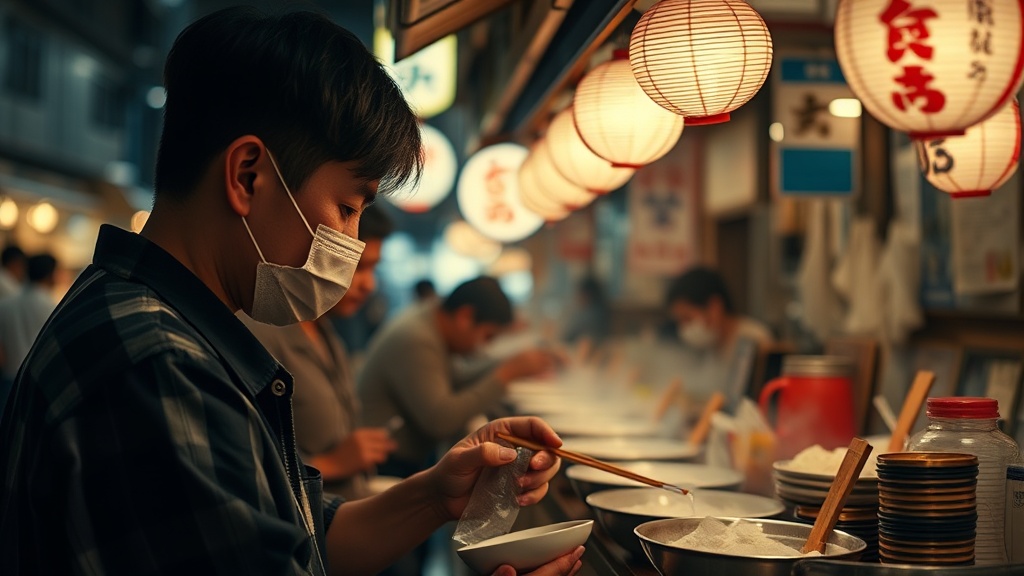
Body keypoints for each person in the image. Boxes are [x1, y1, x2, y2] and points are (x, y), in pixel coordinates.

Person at [0, 8, 582, 576]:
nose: (351, 246)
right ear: (248, 175)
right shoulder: (157, 363)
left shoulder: (170, 327)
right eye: (348, 207)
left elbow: (298, 541)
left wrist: (434, 497)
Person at [241, 204, 396, 501]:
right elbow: (249, 465)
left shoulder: (326, 330)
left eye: (374, 269)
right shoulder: (263, 332)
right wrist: (331, 464)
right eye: (359, 267)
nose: (369, 285)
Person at [359, 276, 562, 479]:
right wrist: (507, 374)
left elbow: (457, 377)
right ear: (465, 316)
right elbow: (440, 420)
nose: (485, 347)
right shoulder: (417, 340)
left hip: (400, 459)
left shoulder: (430, 318)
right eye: (487, 336)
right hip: (384, 467)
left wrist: (514, 364)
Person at [666, 266, 774, 405]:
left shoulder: (754, 339)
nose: (684, 329)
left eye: (687, 319)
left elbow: (756, 404)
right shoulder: (711, 345)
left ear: (714, 307)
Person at [0, 252, 57, 413]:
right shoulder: (53, 308)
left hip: (7, 379)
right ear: (51, 274)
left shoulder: (5, 305)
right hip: (38, 382)